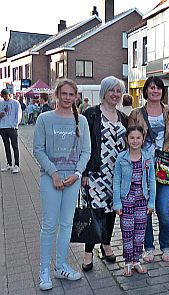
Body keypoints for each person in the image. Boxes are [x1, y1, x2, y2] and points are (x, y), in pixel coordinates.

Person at [33, 79, 91, 291]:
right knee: (49, 224)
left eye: (71, 94)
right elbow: (38, 149)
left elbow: (86, 151)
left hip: (72, 179)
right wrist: (54, 173)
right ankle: (44, 270)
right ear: (57, 94)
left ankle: (61, 265)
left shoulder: (81, 120)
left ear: (76, 96)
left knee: (66, 224)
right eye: (63, 94)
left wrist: (77, 173)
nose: (67, 98)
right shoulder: (44, 119)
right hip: (51, 178)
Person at [128, 76, 169, 263]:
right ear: (146, 91)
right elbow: (132, 141)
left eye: (158, 88)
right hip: (143, 167)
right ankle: (148, 247)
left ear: (163, 91)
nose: (155, 91)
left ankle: (165, 245)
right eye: (151, 88)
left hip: (165, 168)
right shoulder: (136, 113)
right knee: (145, 211)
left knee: (164, 210)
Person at [81, 76, 128, 272]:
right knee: (94, 212)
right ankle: (88, 252)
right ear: (104, 92)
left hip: (116, 174)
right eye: (112, 90)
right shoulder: (91, 114)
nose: (115, 94)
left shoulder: (124, 117)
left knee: (111, 211)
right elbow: (83, 145)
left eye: (118, 91)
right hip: (95, 173)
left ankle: (106, 243)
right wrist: (83, 172)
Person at [113, 126, 156, 276]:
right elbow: (116, 181)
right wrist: (117, 203)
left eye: (138, 138)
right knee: (127, 231)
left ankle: (136, 260)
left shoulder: (147, 157)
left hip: (142, 200)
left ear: (143, 139)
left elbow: (152, 180)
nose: (135, 141)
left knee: (139, 232)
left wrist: (151, 203)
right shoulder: (121, 158)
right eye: (132, 138)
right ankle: (128, 262)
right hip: (126, 200)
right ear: (127, 139)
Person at [0, 88, 22, 173]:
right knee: (6, 146)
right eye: (3, 96)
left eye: (6, 95)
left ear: (9, 95)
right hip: (3, 127)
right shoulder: (1, 103)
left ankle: (17, 165)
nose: (5, 97)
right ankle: (9, 164)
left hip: (12, 128)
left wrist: (14, 125)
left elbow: (19, 114)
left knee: (15, 146)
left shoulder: (15, 103)